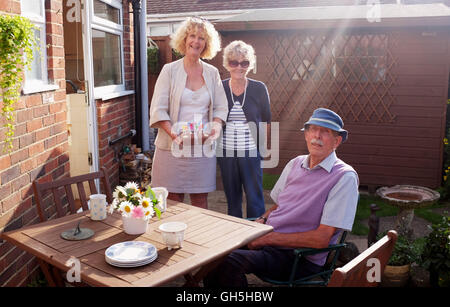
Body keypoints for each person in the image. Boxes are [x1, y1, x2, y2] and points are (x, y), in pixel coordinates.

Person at [204, 108, 359, 287]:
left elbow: (321, 239)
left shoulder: (344, 177)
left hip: (299, 257)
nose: (317, 135)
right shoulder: (295, 163)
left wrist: (267, 239)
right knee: (214, 252)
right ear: (306, 135)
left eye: (325, 131)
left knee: (230, 262)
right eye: (313, 129)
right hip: (270, 241)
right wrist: (262, 219)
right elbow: (279, 205)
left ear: (337, 141)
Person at [149, 17, 228, 209]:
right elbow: (158, 109)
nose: (196, 41)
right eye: (192, 36)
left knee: (200, 202)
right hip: (170, 146)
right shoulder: (169, 70)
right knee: (171, 201)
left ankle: (198, 239)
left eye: (201, 38)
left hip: (201, 148)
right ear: (184, 40)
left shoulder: (212, 73)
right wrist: (174, 135)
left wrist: (214, 130)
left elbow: (220, 108)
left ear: (206, 43)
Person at [217, 40, 271, 219]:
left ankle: (256, 239)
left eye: (244, 63)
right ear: (227, 64)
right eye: (234, 62)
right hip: (226, 153)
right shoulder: (220, 88)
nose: (239, 67)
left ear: (250, 64)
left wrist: (260, 150)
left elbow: (266, 121)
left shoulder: (258, 88)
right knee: (232, 200)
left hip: (251, 151)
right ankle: (236, 241)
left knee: (255, 199)